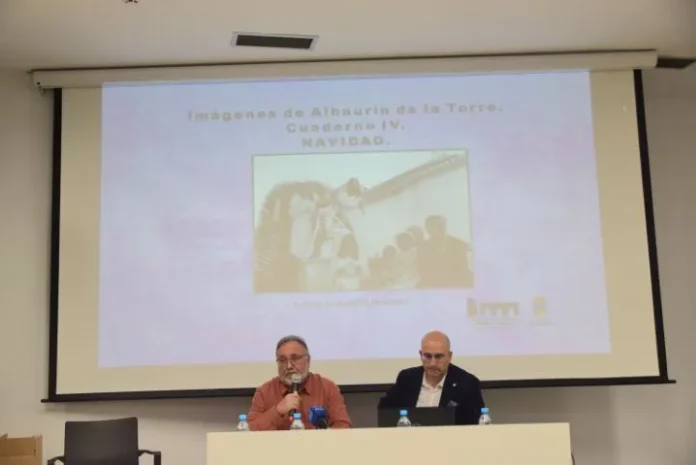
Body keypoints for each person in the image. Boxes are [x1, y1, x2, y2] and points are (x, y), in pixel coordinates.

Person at [378, 330, 485, 425]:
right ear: (421, 355)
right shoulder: (407, 379)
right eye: (427, 356)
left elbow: (475, 424)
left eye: (439, 356)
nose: (433, 363)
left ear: (449, 356)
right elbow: (385, 412)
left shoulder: (467, 383)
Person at [247, 335, 353, 430]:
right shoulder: (264, 392)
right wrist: (277, 410)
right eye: (282, 360)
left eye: (295, 358)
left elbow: (343, 427)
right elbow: (249, 430)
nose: (289, 366)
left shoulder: (327, 387)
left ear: (308, 360)